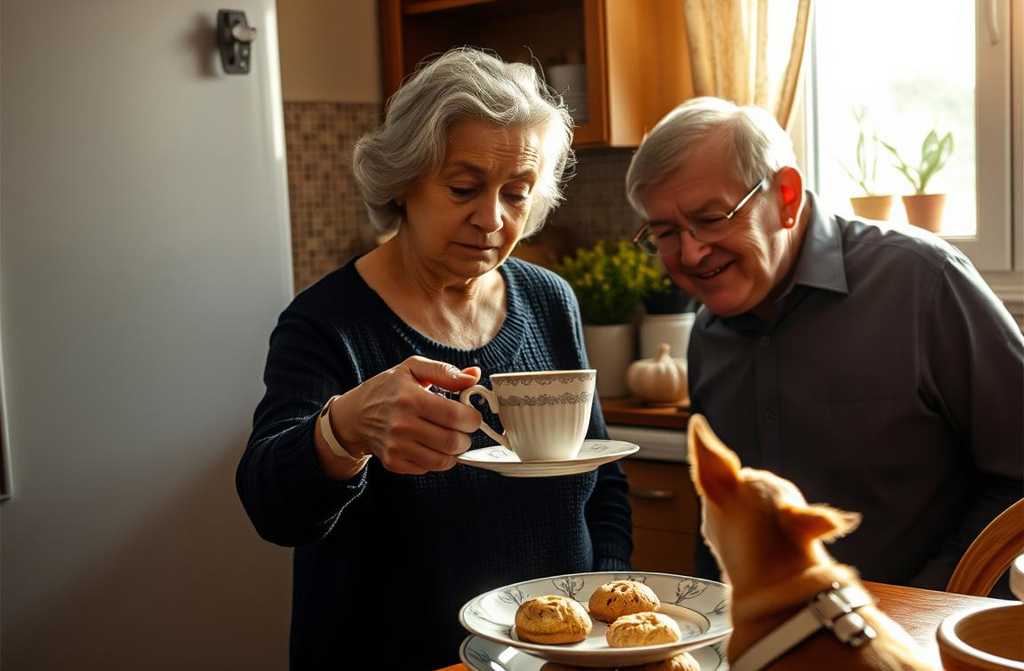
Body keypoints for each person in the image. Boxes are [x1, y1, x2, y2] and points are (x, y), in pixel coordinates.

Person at [236, 48, 632, 670]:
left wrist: (603, 627)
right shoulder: (327, 322)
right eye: (464, 188)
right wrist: (341, 430)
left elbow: (601, 483)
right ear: (402, 182)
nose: (492, 217)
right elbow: (271, 506)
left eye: (517, 192)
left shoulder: (551, 300)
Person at [625, 96, 1023, 595]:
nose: (690, 252)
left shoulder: (922, 281)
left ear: (786, 197)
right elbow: (722, 513)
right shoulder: (707, 334)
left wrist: (927, 603)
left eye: (711, 218)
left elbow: (1017, 477)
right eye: (664, 232)